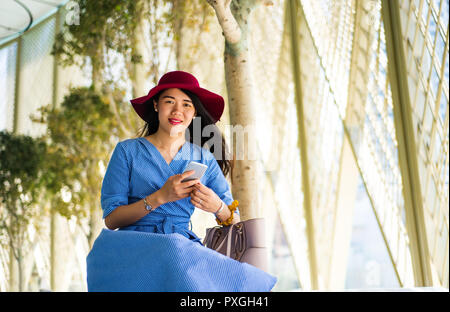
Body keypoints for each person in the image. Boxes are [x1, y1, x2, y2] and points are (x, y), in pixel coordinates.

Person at [86, 71, 276, 291]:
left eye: (187, 104)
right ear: (156, 105)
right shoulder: (127, 152)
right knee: (174, 252)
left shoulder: (203, 157)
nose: (178, 110)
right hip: (134, 249)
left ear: (194, 112)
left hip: (181, 250)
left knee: (247, 280)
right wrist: (160, 197)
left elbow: (234, 222)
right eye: (169, 102)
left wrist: (219, 207)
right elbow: (112, 219)